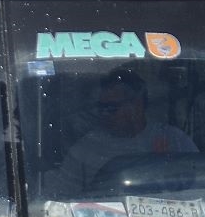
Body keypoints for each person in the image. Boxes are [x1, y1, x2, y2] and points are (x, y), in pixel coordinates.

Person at [45, 67, 197, 195]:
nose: (104, 114)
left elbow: (202, 186)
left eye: (111, 108)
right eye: (101, 108)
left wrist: (165, 163)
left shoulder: (174, 141)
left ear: (136, 106)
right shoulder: (85, 149)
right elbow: (61, 197)